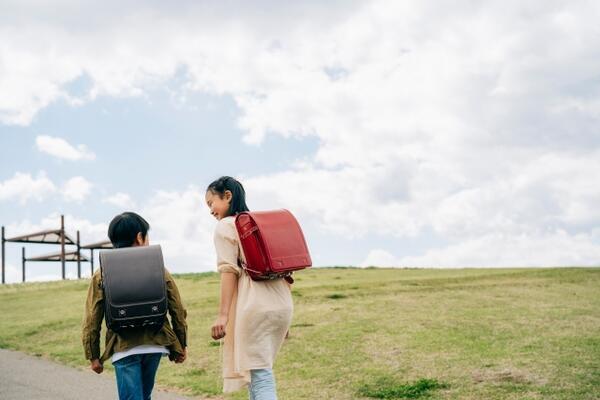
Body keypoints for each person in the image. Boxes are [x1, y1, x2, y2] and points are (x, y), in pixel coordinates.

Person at [82, 212, 188, 400]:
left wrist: (93, 355)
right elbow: (177, 308)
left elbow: (92, 316)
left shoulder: (102, 272)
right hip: (155, 345)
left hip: (123, 348)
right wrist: (180, 344)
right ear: (139, 237)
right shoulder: (158, 267)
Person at [205, 176, 293, 400]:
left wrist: (223, 316)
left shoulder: (226, 226)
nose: (210, 210)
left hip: (253, 305)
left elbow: (228, 270)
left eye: (210, 203)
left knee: (260, 374)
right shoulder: (260, 225)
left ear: (227, 196)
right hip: (281, 304)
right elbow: (286, 270)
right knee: (259, 371)